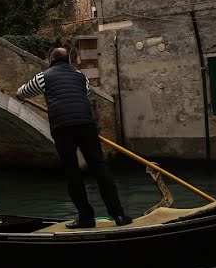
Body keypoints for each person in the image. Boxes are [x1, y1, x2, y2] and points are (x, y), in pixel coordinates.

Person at [17, 47, 132, 229]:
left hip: (62, 127)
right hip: (86, 124)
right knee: (100, 168)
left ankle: (86, 218)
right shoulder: (81, 77)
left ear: (50, 60)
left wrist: (21, 96)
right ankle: (118, 214)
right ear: (68, 60)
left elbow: (22, 92)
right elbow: (84, 96)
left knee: (73, 172)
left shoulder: (43, 77)